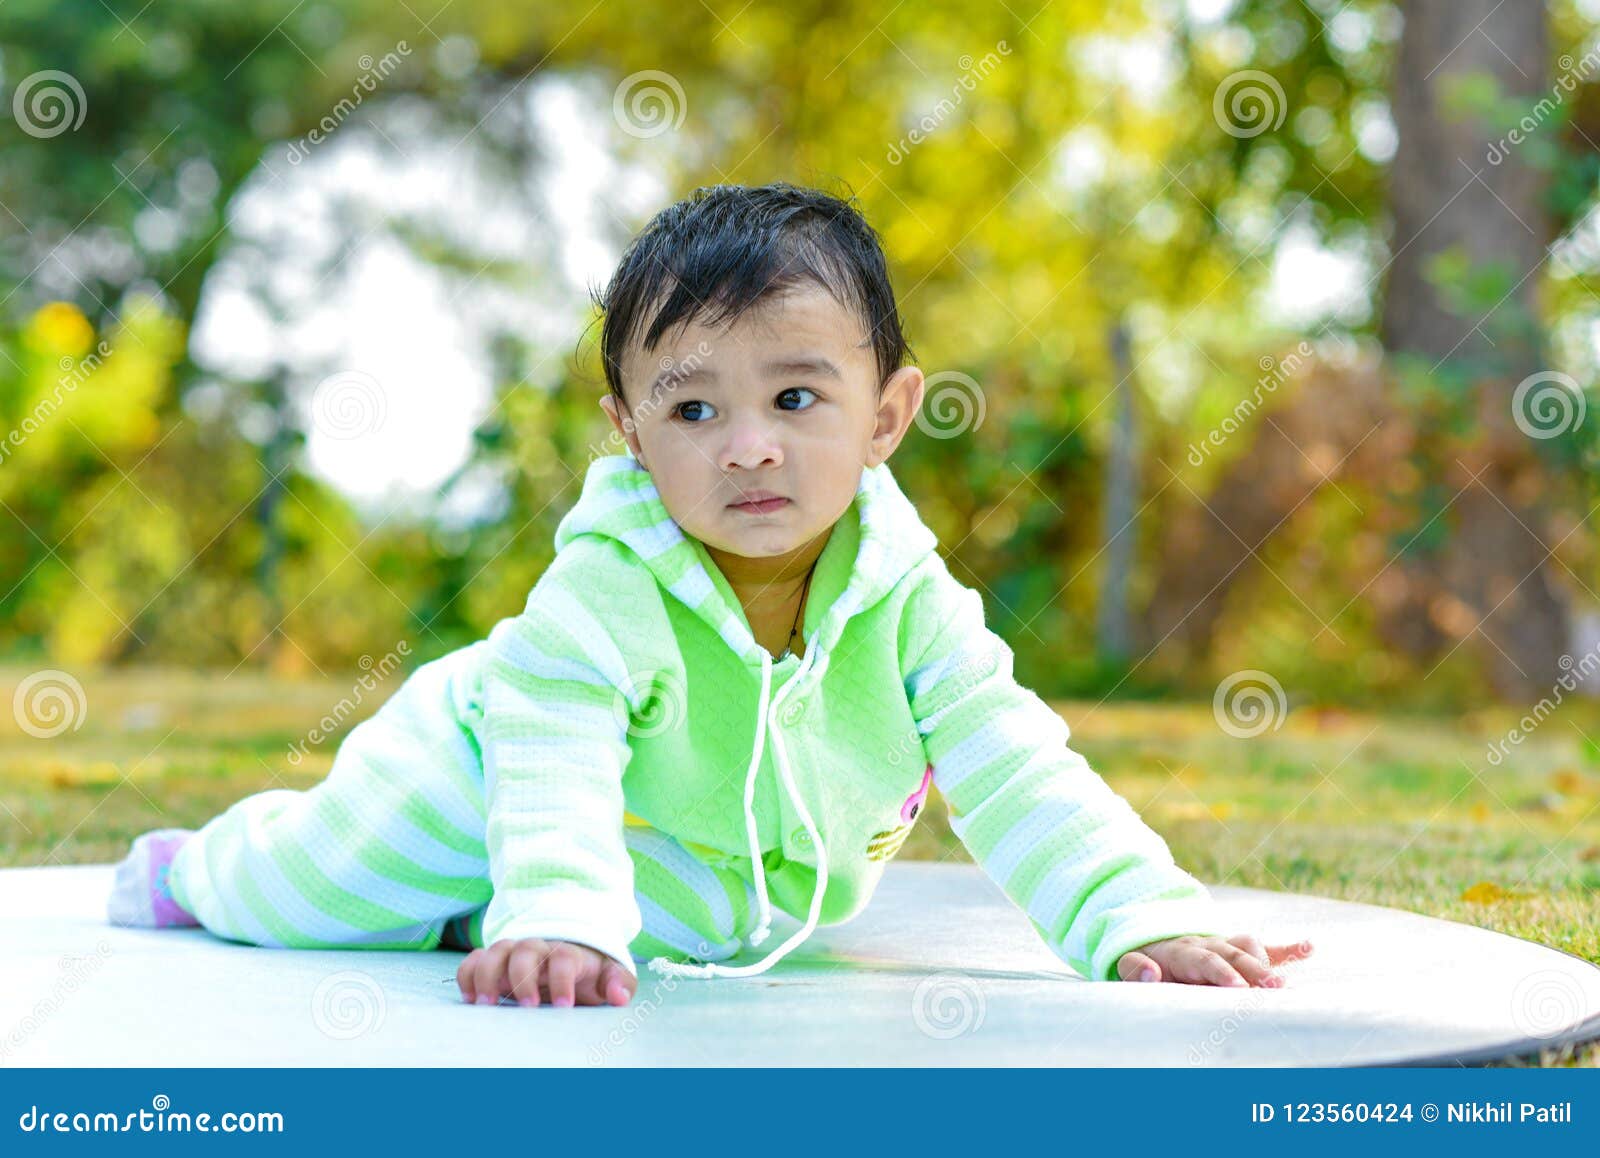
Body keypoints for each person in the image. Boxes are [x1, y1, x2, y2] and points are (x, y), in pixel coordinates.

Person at [106, 181, 1313, 1008]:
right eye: (693, 410)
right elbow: (554, 758)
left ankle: (490, 918)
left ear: (886, 416)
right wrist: (565, 920)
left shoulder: (912, 602)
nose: (746, 447)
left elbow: (1013, 763)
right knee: (327, 890)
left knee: (682, 925)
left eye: (794, 400)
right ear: (630, 432)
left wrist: (1133, 918)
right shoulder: (604, 592)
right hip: (478, 762)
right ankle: (196, 867)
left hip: (684, 847)